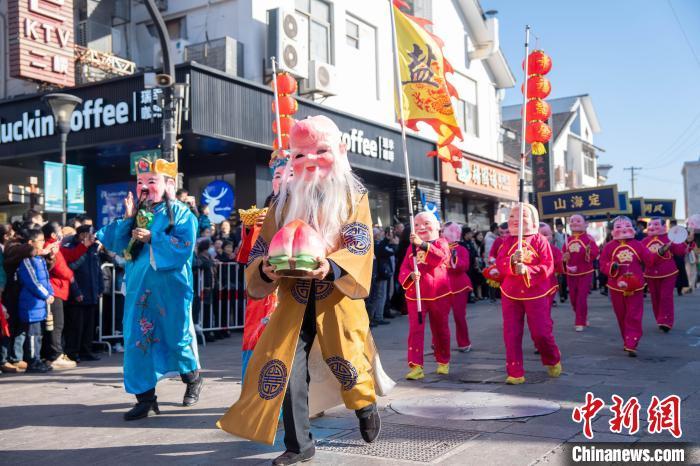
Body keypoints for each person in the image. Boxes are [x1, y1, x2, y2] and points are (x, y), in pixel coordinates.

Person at [218, 116, 383, 465]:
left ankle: (365, 406)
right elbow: (263, 246)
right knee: (286, 365)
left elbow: (360, 241)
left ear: (339, 151)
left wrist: (332, 266)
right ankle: (299, 443)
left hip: (335, 295)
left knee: (348, 363)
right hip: (292, 296)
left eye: (320, 151)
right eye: (300, 155)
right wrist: (264, 267)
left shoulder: (353, 195)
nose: (310, 161)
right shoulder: (284, 199)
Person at [97, 157, 202, 420]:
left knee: (176, 337)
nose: (144, 187)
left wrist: (154, 237)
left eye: (151, 181)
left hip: (170, 289)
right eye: (140, 182)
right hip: (138, 288)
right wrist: (128, 218)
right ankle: (145, 399)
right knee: (137, 340)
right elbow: (117, 244)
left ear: (169, 184)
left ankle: (193, 379)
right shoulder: (140, 213)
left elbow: (184, 246)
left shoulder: (180, 212)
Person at [496, 204, 561, 384]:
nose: (515, 219)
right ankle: (515, 371)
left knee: (541, 333)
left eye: (521, 215)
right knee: (511, 333)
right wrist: (511, 262)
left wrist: (527, 269)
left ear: (533, 220)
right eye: (512, 216)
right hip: (510, 293)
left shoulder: (540, 241)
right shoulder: (507, 242)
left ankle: (551, 358)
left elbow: (548, 266)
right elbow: (500, 264)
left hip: (536, 292)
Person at [399, 212, 452, 379]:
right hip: (417, 295)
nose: (421, 227)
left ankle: (443, 360)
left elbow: (439, 257)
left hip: (439, 294)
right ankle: (416, 366)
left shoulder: (442, 243)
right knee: (415, 330)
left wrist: (422, 244)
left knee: (440, 328)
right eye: (417, 224)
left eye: (426, 223)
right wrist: (409, 276)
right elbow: (404, 268)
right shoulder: (411, 247)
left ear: (437, 226)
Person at [600, 216, 654, 357]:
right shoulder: (609, 247)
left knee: (634, 314)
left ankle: (632, 342)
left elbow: (650, 260)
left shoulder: (638, 245)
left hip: (635, 286)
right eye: (619, 226)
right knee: (621, 314)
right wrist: (612, 266)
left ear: (633, 227)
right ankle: (627, 339)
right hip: (615, 286)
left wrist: (660, 253)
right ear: (613, 230)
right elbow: (602, 264)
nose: (623, 229)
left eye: (626, 225)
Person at [62, 225, 103, 363]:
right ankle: (72, 352)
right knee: (75, 326)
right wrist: (76, 291)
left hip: (91, 292)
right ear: (82, 235)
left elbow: (98, 270)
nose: (93, 237)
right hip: (77, 293)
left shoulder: (93, 248)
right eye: (90, 234)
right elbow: (70, 270)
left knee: (89, 325)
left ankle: (86, 350)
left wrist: (99, 288)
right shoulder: (70, 247)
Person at [641, 218, 691, 332]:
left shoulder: (669, 238)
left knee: (666, 297)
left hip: (668, 273)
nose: (652, 227)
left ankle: (666, 321)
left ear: (664, 226)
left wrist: (686, 242)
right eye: (650, 224)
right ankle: (660, 319)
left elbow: (679, 251)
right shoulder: (644, 241)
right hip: (650, 274)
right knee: (655, 298)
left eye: (656, 224)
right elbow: (640, 256)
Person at [16, 229, 54, 373]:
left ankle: (38, 359)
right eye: (41, 241)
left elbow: (46, 280)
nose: (43, 243)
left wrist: (51, 293)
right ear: (31, 243)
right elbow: (33, 282)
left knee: (39, 334)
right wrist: (46, 295)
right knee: (32, 335)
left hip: (40, 304)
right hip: (31, 304)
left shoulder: (40, 259)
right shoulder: (27, 260)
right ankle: (32, 361)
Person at [41, 222, 77, 369]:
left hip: (57, 290)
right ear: (54, 235)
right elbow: (60, 267)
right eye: (60, 231)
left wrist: (84, 246)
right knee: (57, 325)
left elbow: (70, 256)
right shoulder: (51, 246)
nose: (62, 234)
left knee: (55, 325)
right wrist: (71, 276)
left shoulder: (54, 246)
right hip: (54, 290)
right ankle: (55, 355)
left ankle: (52, 354)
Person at [563, 215, 599, 331]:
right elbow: (563, 255)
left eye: (578, 221)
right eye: (572, 221)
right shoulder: (567, 240)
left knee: (581, 298)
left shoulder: (589, 239)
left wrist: (588, 252)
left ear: (586, 224)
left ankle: (579, 321)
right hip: (571, 273)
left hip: (585, 273)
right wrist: (565, 259)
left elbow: (595, 253)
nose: (575, 223)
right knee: (573, 298)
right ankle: (582, 316)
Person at [442, 222, 473, 352]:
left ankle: (464, 342)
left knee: (459, 316)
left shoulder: (461, 249)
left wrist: (454, 260)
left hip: (459, 285)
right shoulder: (439, 247)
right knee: (440, 316)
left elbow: (464, 266)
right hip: (442, 285)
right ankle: (439, 341)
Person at [367, 227, 395, 326]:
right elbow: (382, 252)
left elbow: (390, 251)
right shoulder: (375, 244)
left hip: (380, 273)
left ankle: (376, 316)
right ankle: (375, 317)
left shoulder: (379, 243)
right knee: (377, 296)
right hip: (378, 273)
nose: (381, 234)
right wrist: (387, 240)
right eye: (380, 232)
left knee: (379, 295)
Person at [539, 223, 563, 308]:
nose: (543, 237)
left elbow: (560, 268)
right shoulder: (529, 250)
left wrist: (563, 261)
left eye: (545, 235)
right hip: (535, 285)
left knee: (546, 308)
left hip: (550, 282)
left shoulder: (555, 250)